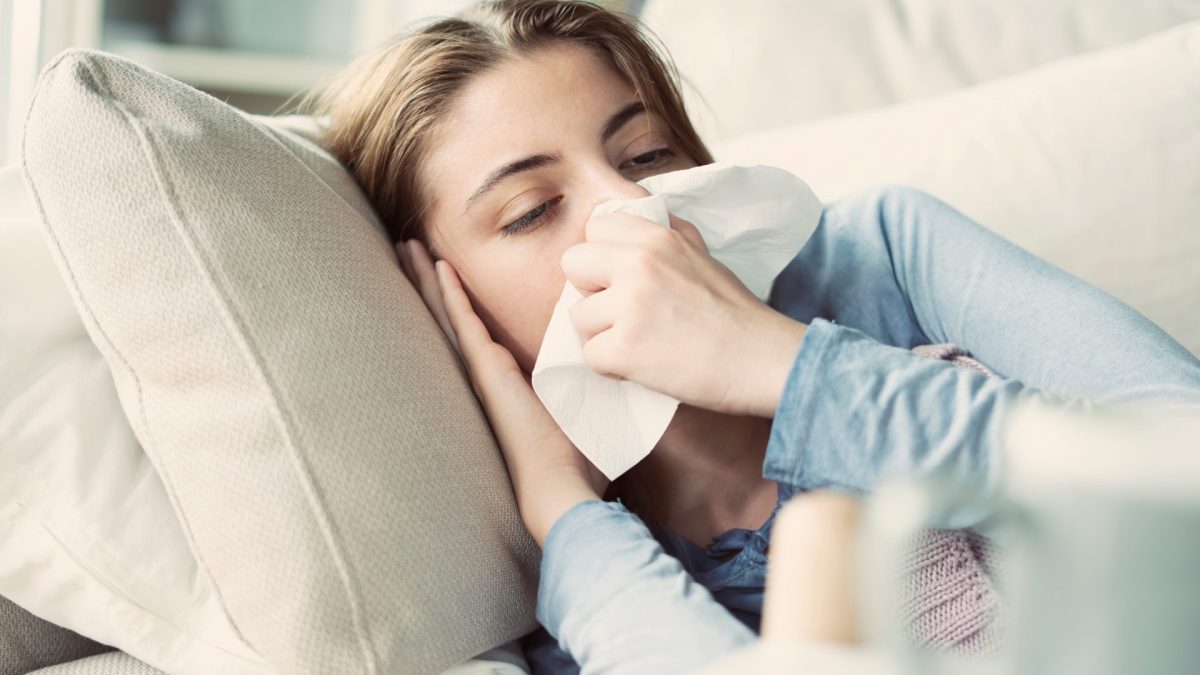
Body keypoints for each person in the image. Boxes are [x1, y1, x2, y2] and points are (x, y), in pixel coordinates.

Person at [292, 0, 1200, 672]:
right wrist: (566, 516)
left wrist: (775, 362)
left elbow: (1181, 461)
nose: (632, 206)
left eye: (646, 154)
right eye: (532, 210)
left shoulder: (884, 253)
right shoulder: (563, 583)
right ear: (448, 305)